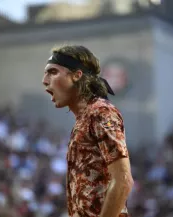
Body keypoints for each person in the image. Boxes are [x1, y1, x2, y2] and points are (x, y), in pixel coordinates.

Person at [42, 45, 134, 217]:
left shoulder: (101, 112)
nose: (45, 80)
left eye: (53, 72)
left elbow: (123, 180)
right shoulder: (83, 120)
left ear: (77, 76)